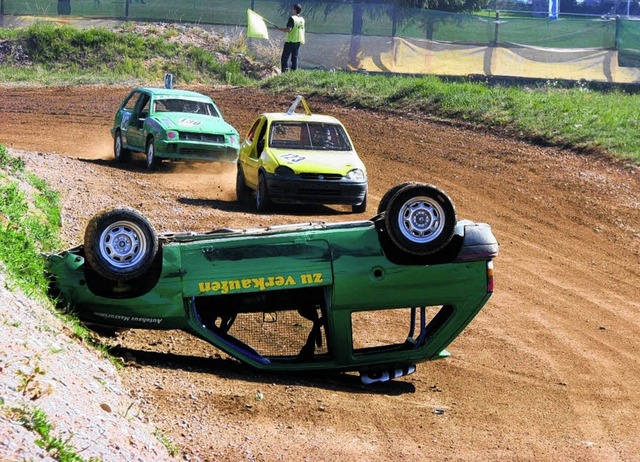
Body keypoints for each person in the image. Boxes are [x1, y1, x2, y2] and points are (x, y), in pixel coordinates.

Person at [278, 4, 305, 72]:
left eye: (292, 9)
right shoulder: (302, 20)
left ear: (295, 10)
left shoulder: (292, 18)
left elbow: (289, 29)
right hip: (298, 41)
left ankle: (285, 73)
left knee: (284, 58)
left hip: (290, 41)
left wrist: (281, 29)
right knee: (294, 58)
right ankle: (294, 72)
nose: (291, 10)